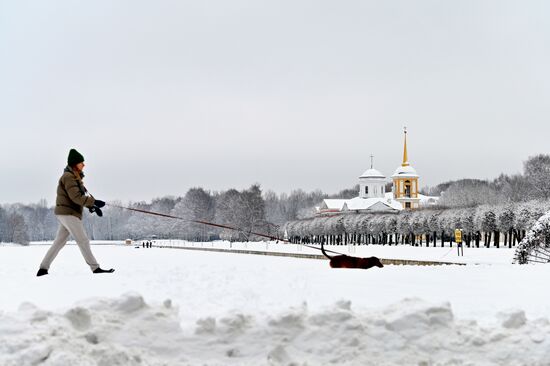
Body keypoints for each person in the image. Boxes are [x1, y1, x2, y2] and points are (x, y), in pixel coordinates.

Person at [36, 149, 115, 276]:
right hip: (68, 213)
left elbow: (76, 198)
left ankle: (43, 269)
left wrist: (92, 207)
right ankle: (95, 268)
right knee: (83, 240)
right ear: (74, 164)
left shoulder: (74, 177)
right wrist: (93, 202)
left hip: (65, 212)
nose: (83, 165)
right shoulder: (68, 177)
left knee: (59, 242)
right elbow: (76, 197)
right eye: (81, 163)